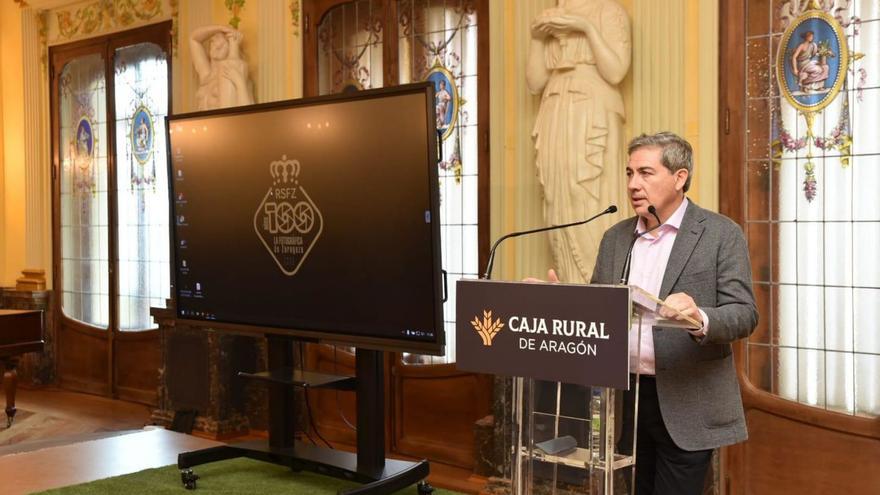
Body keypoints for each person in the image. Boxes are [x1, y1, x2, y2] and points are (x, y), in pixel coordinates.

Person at [591, 132, 757, 494]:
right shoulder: (615, 238)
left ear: (679, 178)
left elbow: (745, 314)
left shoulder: (719, 234)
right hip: (626, 402)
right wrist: (556, 301)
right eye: (629, 173)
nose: (634, 184)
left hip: (687, 399)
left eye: (646, 173)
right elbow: (598, 311)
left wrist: (701, 319)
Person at [526, 0, 631, 284]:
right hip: (555, 112)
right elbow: (535, 83)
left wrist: (584, 27)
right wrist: (537, 38)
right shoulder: (549, 18)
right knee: (557, 199)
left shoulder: (607, 12)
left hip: (591, 111)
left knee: (588, 195)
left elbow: (616, 71)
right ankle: (570, 289)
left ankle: (601, 287)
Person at [190, 25, 255, 110]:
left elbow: (248, 110)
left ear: (230, 46)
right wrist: (221, 28)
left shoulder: (234, 72)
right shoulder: (205, 75)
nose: (216, 45)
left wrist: (239, 81)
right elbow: (193, 39)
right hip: (202, 122)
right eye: (213, 41)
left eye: (223, 43)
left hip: (225, 122)